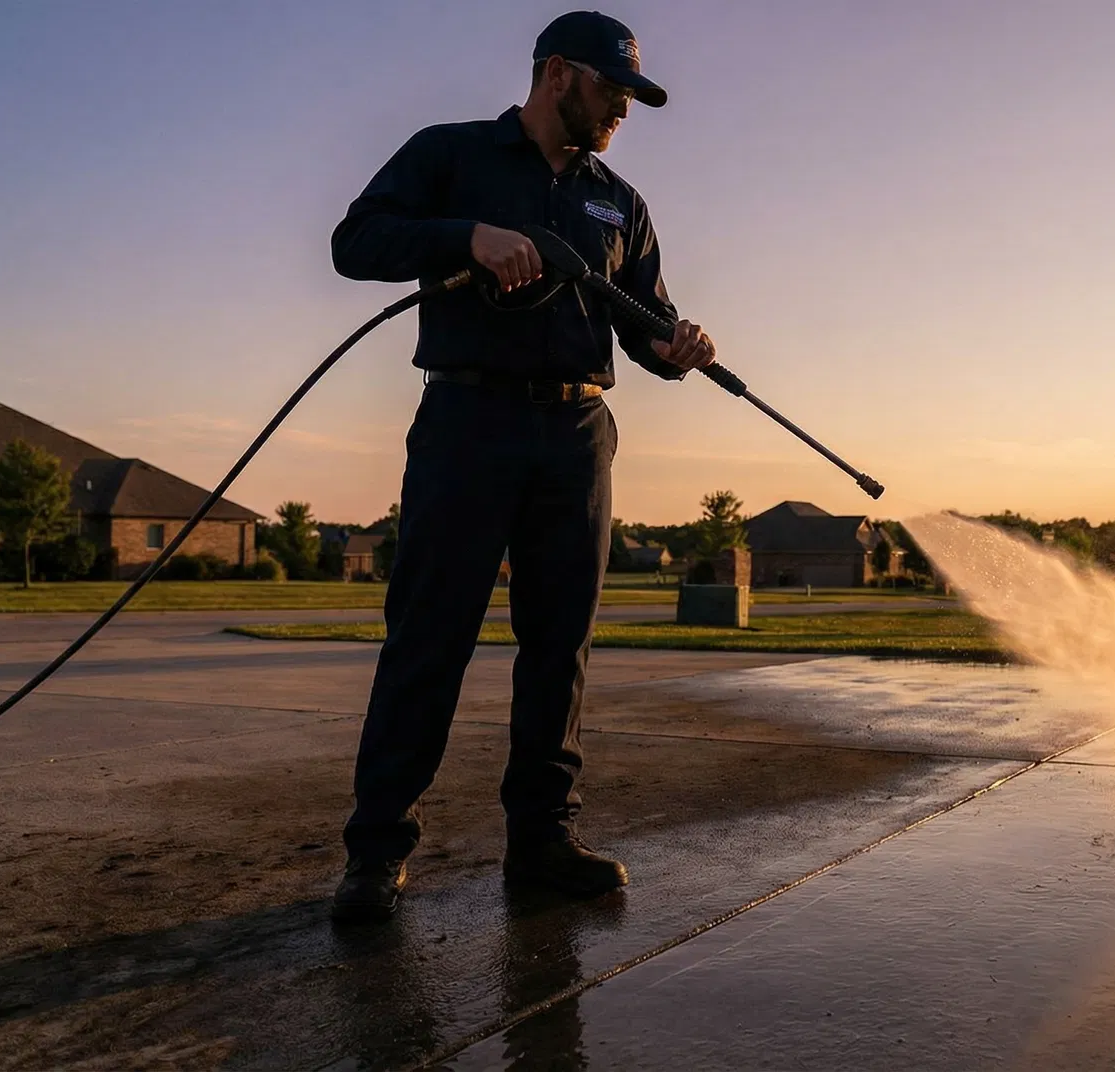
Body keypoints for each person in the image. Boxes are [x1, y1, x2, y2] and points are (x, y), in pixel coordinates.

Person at [327, 10, 715, 922]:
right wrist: (466, 235)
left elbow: (644, 325)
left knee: (559, 649)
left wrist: (679, 346)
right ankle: (376, 853)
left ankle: (542, 840)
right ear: (555, 76)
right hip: (468, 419)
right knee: (431, 638)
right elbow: (356, 243)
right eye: (613, 89)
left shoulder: (620, 201)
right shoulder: (451, 154)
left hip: (578, 435)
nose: (623, 108)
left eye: (631, 96)